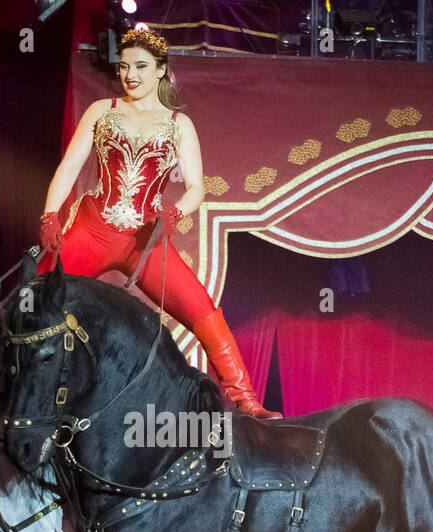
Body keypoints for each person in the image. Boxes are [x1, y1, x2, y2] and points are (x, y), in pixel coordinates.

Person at [36, 26, 280, 419]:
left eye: (141, 66)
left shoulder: (179, 124)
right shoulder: (103, 111)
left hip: (145, 241)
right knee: (37, 302)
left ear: (161, 70)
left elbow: (197, 187)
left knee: (204, 311)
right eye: (125, 66)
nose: (130, 74)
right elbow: (68, 169)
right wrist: (50, 214)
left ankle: (246, 402)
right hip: (93, 229)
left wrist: (177, 211)